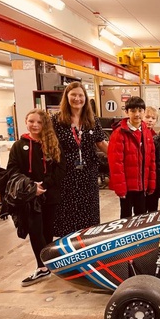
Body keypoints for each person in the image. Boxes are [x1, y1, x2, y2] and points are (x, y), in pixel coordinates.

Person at [7, 109, 66, 286]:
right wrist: (32, 187)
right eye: (31, 121)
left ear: (44, 125)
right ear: (26, 121)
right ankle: (41, 267)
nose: (35, 125)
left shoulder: (53, 143)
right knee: (35, 230)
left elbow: (60, 168)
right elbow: (12, 169)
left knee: (48, 230)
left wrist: (45, 185)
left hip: (50, 194)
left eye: (39, 122)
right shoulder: (19, 146)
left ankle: (48, 264)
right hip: (30, 197)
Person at [52, 81, 108, 237]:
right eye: (73, 95)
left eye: (80, 95)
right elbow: (50, 146)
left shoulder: (92, 120)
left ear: (85, 98)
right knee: (67, 213)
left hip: (88, 174)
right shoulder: (57, 121)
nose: (77, 99)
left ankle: (87, 245)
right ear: (67, 97)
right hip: (66, 175)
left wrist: (120, 158)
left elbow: (101, 143)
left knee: (88, 213)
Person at [108, 96, 156, 218]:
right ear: (126, 112)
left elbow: (151, 160)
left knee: (141, 217)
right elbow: (116, 163)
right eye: (133, 111)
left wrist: (150, 184)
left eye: (140, 111)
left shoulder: (147, 132)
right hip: (127, 188)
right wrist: (121, 189)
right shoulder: (119, 133)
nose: (137, 114)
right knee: (126, 219)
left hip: (142, 186)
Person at [143, 106, 160, 212]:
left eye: (153, 118)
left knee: (153, 208)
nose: (150, 120)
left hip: (153, 178)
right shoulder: (139, 134)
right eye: (147, 117)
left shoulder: (157, 137)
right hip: (141, 179)